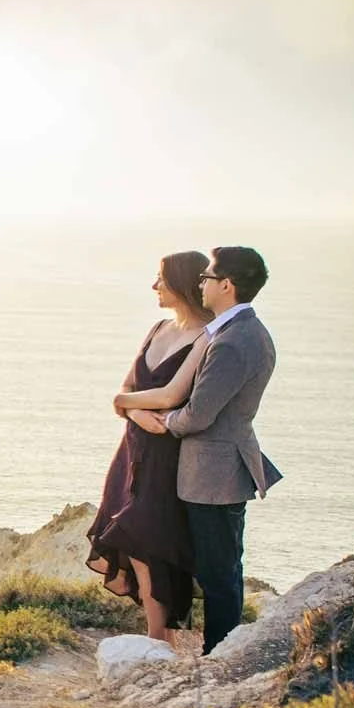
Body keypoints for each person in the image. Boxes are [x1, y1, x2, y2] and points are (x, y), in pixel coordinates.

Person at [134, 246, 283, 655]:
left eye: (208, 277)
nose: (201, 282)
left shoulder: (234, 341)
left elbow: (199, 414)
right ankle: (220, 650)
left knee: (219, 574)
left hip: (215, 473)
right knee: (221, 569)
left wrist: (163, 421)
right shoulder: (234, 331)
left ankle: (220, 654)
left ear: (226, 285)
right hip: (211, 470)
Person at [87, 251, 211, 642]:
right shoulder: (158, 328)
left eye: (161, 278)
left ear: (181, 281)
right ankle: (160, 638)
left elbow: (170, 398)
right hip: (132, 448)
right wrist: (134, 413)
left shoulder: (207, 337)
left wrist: (127, 405)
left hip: (166, 455)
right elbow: (126, 391)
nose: (154, 286)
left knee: (149, 540)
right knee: (136, 543)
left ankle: (161, 641)